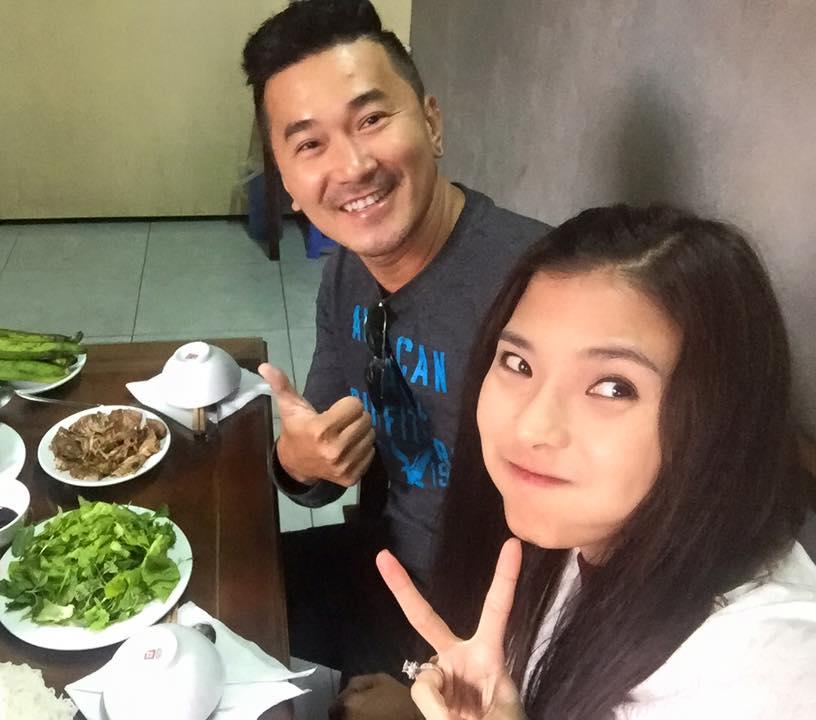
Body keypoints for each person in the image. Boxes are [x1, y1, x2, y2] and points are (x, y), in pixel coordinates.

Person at [374, 204, 816, 718]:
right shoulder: (581, 537)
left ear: (720, 416)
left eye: (613, 387)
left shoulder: (771, 673)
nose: (531, 427)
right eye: (518, 363)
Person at [241, 0, 549, 686]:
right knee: (215, 598)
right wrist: (296, 460)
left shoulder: (540, 284)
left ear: (432, 123)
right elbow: (325, 458)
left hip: (496, 626)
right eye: (310, 144)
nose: (352, 165)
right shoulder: (346, 272)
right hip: (386, 564)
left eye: (371, 120)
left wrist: (434, 683)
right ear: (286, 183)